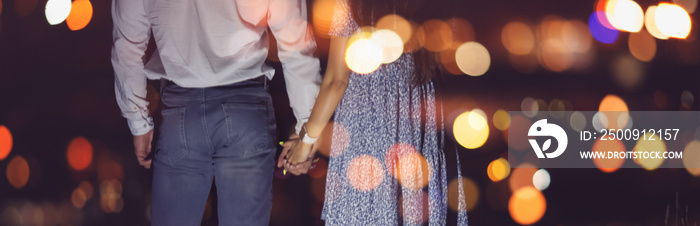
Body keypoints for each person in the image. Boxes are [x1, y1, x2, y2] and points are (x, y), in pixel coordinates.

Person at [111, 0, 321, 225]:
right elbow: (295, 39)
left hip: (180, 111)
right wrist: (306, 125)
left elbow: (127, 46)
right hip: (245, 108)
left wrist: (138, 120)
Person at [279, 0, 470, 224]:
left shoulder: (351, 5)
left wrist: (306, 140)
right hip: (416, 135)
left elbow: (336, 82)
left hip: (364, 139)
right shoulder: (428, 7)